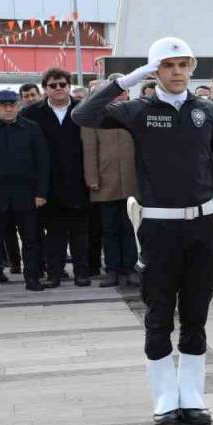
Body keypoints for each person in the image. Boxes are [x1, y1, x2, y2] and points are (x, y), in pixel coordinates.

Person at [73, 36, 213, 425]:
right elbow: (84, 115)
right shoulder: (138, 111)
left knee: (196, 311)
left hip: (203, 223)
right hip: (159, 226)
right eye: (168, 66)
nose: (177, 72)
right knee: (159, 312)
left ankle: (192, 395)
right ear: (155, 71)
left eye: (183, 65)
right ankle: (165, 397)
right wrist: (126, 80)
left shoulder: (209, 111)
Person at [23, 67, 92, 288]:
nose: (59, 88)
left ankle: (82, 273)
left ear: (69, 86)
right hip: (48, 183)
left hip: (79, 181)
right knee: (54, 233)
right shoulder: (32, 113)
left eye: (63, 84)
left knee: (80, 232)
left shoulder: (83, 110)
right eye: (53, 85)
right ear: (45, 89)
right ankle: (54, 273)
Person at [0, 90, 47, 294]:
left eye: (12, 105)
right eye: (3, 105)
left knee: (31, 239)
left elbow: (42, 163)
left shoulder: (32, 128)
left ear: (18, 106)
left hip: (27, 193)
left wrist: (41, 193)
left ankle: (32, 278)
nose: (8, 108)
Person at [81, 75, 140, 288]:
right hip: (105, 182)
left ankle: (130, 267)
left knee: (130, 227)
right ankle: (112, 270)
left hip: (133, 182)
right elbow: (89, 150)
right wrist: (92, 178)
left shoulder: (134, 112)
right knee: (109, 229)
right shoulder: (93, 115)